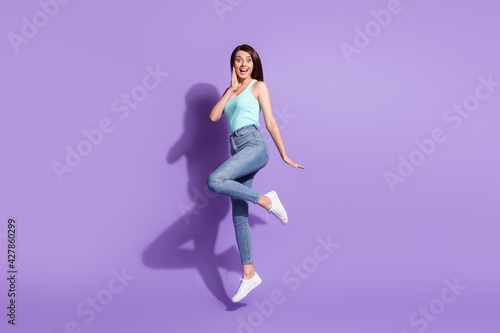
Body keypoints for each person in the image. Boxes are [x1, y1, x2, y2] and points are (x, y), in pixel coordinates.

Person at [207, 44, 304, 303]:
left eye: (247, 60)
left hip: (253, 145)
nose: (243, 64)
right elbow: (214, 116)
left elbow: (270, 121)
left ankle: (266, 201)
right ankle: (249, 275)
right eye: (238, 60)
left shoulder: (258, 86)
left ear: (254, 64)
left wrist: (284, 154)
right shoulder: (231, 92)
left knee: (215, 180)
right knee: (239, 216)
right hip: (236, 150)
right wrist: (230, 90)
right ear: (233, 65)